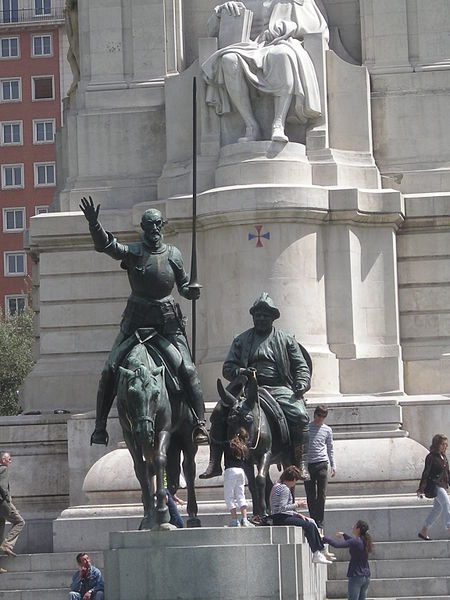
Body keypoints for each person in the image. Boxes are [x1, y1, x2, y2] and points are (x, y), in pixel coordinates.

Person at [79, 196, 209, 447]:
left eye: (158, 224)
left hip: (167, 324)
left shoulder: (174, 254)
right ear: (143, 228)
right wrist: (95, 224)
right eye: (150, 225)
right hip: (135, 324)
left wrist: (190, 291)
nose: (155, 230)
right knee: (109, 370)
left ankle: (200, 422)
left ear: (163, 225)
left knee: (189, 370)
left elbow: (182, 285)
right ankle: (100, 426)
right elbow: (107, 246)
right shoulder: (134, 252)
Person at [200, 292, 311, 479]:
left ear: (273, 318)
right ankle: (215, 463)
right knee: (219, 412)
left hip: (277, 388)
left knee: (300, 416)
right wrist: (240, 372)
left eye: (265, 315)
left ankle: (301, 463)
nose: (260, 318)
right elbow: (228, 367)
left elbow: (301, 366)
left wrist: (301, 383)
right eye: (257, 315)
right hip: (245, 388)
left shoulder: (286, 339)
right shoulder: (241, 340)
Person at [202, 0, 329, 142]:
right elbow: (212, 32)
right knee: (229, 60)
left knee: (282, 55)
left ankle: (278, 124)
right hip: (249, 46)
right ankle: (251, 125)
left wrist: (283, 28)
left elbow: (317, 28)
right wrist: (221, 14)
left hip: (280, 42)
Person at [270, 465, 331, 564]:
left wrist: (296, 514)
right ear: (293, 479)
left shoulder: (278, 486)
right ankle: (316, 552)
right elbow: (282, 508)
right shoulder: (284, 489)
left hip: (281, 515)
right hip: (280, 517)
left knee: (309, 522)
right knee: (309, 525)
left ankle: (319, 549)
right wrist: (297, 505)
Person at [304, 404, 336, 529]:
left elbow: (330, 448)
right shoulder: (307, 428)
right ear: (314, 414)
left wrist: (333, 464)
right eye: (318, 415)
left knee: (321, 494)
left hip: (322, 463)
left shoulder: (327, 430)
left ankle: (320, 521)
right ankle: (313, 519)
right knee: (310, 494)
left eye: (323, 417)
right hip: (309, 464)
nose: (320, 419)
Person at [324, 520, 373, 600]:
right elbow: (352, 541)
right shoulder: (365, 541)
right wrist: (344, 535)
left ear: (358, 529)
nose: (352, 527)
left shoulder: (355, 541)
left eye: (354, 526)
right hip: (366, 576)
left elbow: (337, 545)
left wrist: (325, 538)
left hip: (356, 575)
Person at [417, 433, 450, 540]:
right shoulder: (431, 457)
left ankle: (424, 530)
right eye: (442, 444)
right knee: (446, 503)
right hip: (435, 485)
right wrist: (421, 488)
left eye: (446, 444)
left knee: (437, 509)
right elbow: (426, 472)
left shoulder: (444, 457)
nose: (445, 446)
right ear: (437, 444)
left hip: (442, 485)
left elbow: (447, 473)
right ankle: (449, 527)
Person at [223, 427, 254, 527]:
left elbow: (217, 443)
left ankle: (234, 519)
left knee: (229, 496)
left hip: (230, 471)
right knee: (241, 495)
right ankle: (244, 519)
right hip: (241, 471)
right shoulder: (244, 447)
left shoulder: (229, 445)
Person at [0, 452, 25, 558]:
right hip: (3, 503)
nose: (10, 461)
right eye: (9, 459)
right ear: (3, 459)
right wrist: (7, 500)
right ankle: (7, 544)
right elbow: (2, 486)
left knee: (0, 529)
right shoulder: (3, 469)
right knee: (20, 522)